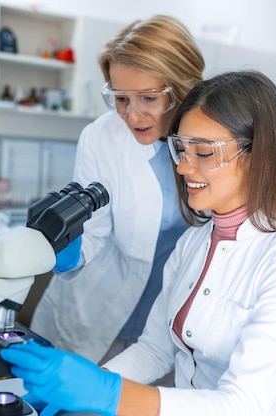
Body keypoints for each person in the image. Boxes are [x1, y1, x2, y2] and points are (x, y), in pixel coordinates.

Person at [1, 70, 276, 416]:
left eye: (204, 153)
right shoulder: (193, 243)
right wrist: (83, 385)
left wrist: (107, 394)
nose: (183, 168)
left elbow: (246, 405)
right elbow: (155, 350)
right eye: (180, 149)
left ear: (258, 156)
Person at [29, 15, 205, 364]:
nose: (132, 115)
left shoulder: (211, 141)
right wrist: (67, 250)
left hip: (167, 325)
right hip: (95, 315)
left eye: (148, 99)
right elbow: (92, 233)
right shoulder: (102, 137)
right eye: (121, 98)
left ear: (182, 89)